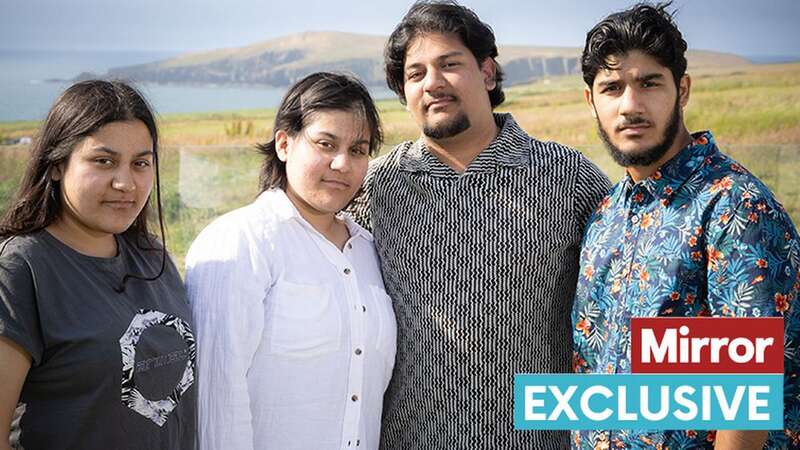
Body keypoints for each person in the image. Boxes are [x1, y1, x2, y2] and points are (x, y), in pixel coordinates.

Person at [346, 1, 611, 448]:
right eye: (415, 74)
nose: (433, 83)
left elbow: (622, 306)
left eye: (450, 65)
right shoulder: (377, 186)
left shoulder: (569, 177)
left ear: (487, 73)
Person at [572, 3, 800, 449]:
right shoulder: (605, 217)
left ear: (683, 89)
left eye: (649, 83)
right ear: (591, 101)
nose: (630, 106)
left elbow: (746, 400)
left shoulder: (734, 207)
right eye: (612, 88)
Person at [185, 72, 395, 450]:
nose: (342, 164)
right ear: (284, 143)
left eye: (358, 150)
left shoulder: (369, 250)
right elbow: (215, 401)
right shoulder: (239, 241)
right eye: (325, 144)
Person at [0, 80, 196, 450]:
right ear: (57, 164)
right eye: (103, 161)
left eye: (141, 164)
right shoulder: (21, 270)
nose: (125, 183)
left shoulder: (152, 255)